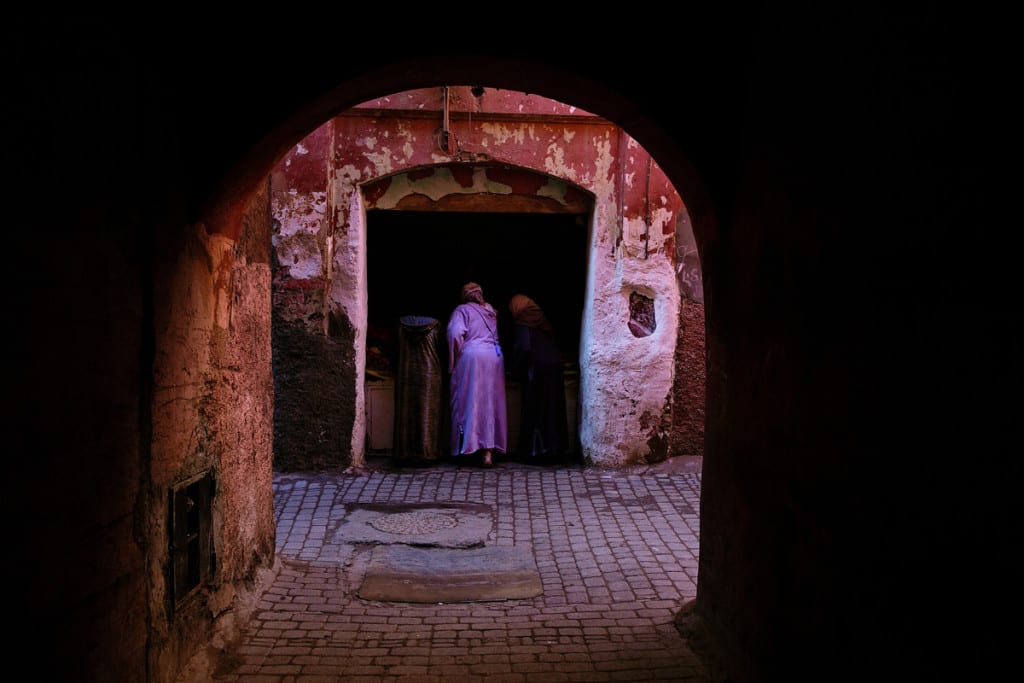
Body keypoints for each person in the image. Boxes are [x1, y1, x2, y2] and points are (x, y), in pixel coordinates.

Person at [446, 282, 507, 467]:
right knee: (491, 404)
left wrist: (454, 357)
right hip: (494, 357)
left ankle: (468, 448)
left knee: (470, 402)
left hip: (472, 358)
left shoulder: (462, 310)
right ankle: (488, 452)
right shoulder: (490, 311)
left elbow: (454, 333)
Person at [508, 293, 569, 464]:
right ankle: (555, 449)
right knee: (553, 409)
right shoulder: (541, 318)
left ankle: (535, 452)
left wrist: (517, 368)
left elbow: (525, 347)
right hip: (553, 367)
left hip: (536, 370)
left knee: (536, 412)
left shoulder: (522, 323)